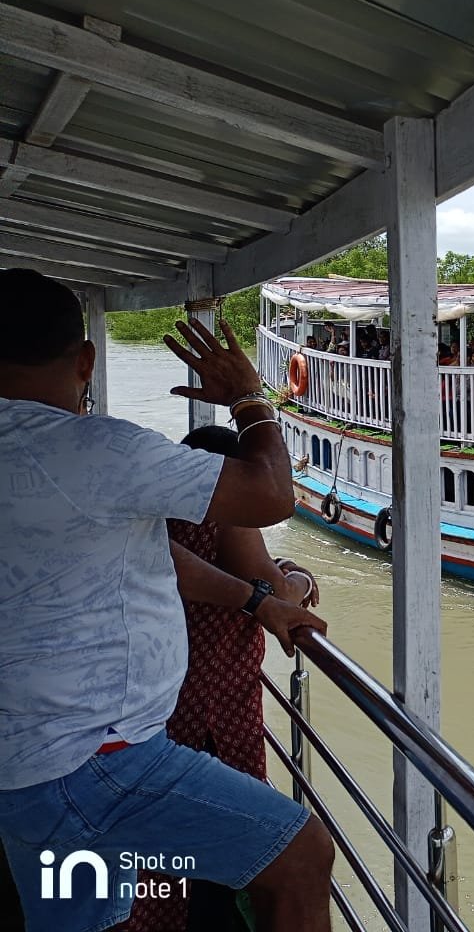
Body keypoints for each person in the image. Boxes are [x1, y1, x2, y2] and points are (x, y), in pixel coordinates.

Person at [0, 269, 334, 932]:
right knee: (300, 857)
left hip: (32, 755)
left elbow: (154, 554)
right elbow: (270, 492)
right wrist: (249, 400)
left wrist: (254, 602)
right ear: (86, 359)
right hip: (90, 760)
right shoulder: (99, 449)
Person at [118, 426, 321, 932]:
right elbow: (276, 591)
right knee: (243, 848)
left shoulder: (158, 522)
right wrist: (300, 577)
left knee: (163, 848)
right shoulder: (225, 518)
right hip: (216, 714)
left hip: (158, 707)